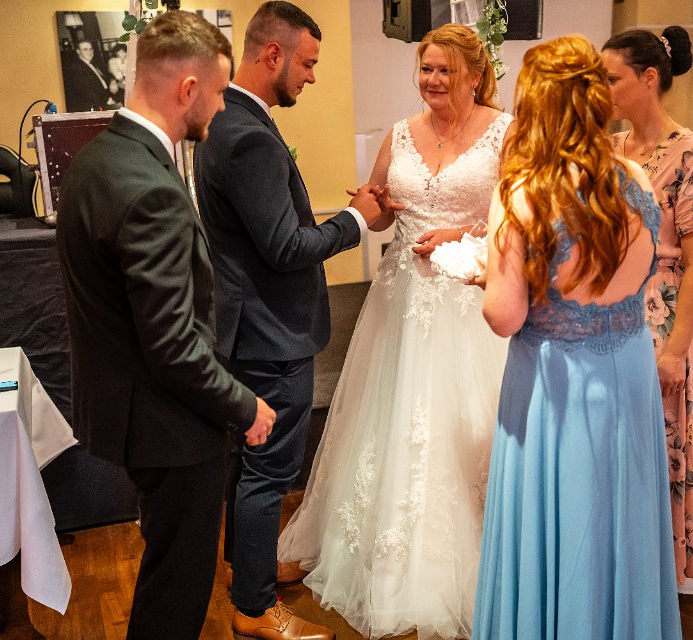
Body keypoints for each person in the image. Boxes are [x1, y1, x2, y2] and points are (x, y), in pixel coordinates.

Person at [277, 23, 513, 640]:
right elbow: (382, 213)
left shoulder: (505, 133)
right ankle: (378, 552)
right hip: (401, 299)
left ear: (474, 75)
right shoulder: (401, 133)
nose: (431, 80)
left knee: (460, 425)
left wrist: (464, 235)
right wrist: (372, 206)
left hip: (468, 303)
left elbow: (517, 220)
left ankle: (469, 557)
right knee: (389, 418)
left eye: (444, 70)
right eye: (425, 68)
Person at [56, 12, 275, 640]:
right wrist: (245, 406)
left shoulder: (96, 158)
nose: (223, 107)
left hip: (127, 412)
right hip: (170, 425)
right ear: (188, 88)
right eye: (220, 92)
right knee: (177, 590)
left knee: (165, 570)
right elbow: (174, 346)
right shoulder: (150, 187)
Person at [471, 35, 682, 639]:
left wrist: (487, 275)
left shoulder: (523, 192)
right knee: (621, 521)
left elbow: (504, 316)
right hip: (628, 372)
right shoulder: (635, 176)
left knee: (561, 521)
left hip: (554, 383)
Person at [192, 3, 382, 639]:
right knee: (269, 469)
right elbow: (285, 246)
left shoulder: (227, 117)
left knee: (248, 461)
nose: (312, 76)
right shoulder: (247, 134)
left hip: (246, 326)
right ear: (272, 54)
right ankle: (254, 607)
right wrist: (356, 222)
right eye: (307, 62)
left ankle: (243, 567)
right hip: (271, 334)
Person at [602, 26, 693, 585]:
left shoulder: (692, 153)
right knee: (610, 448)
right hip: (604, 313)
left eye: (611, 79)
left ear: (648, 78)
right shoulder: (611, 149)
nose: (602, 90)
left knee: (655, 447)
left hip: (660, 316)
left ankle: (650, 580)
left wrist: (677, 350)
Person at [61, 40, 109, 111]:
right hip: (93, 105)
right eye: (85, 49)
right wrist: (107, 100)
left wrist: (112, 82)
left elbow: (104, 79)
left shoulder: (94, 63)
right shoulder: (76, 68)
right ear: (78, 51)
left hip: (105, 96)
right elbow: (88, 93)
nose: (89, 52)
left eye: (91, 49)